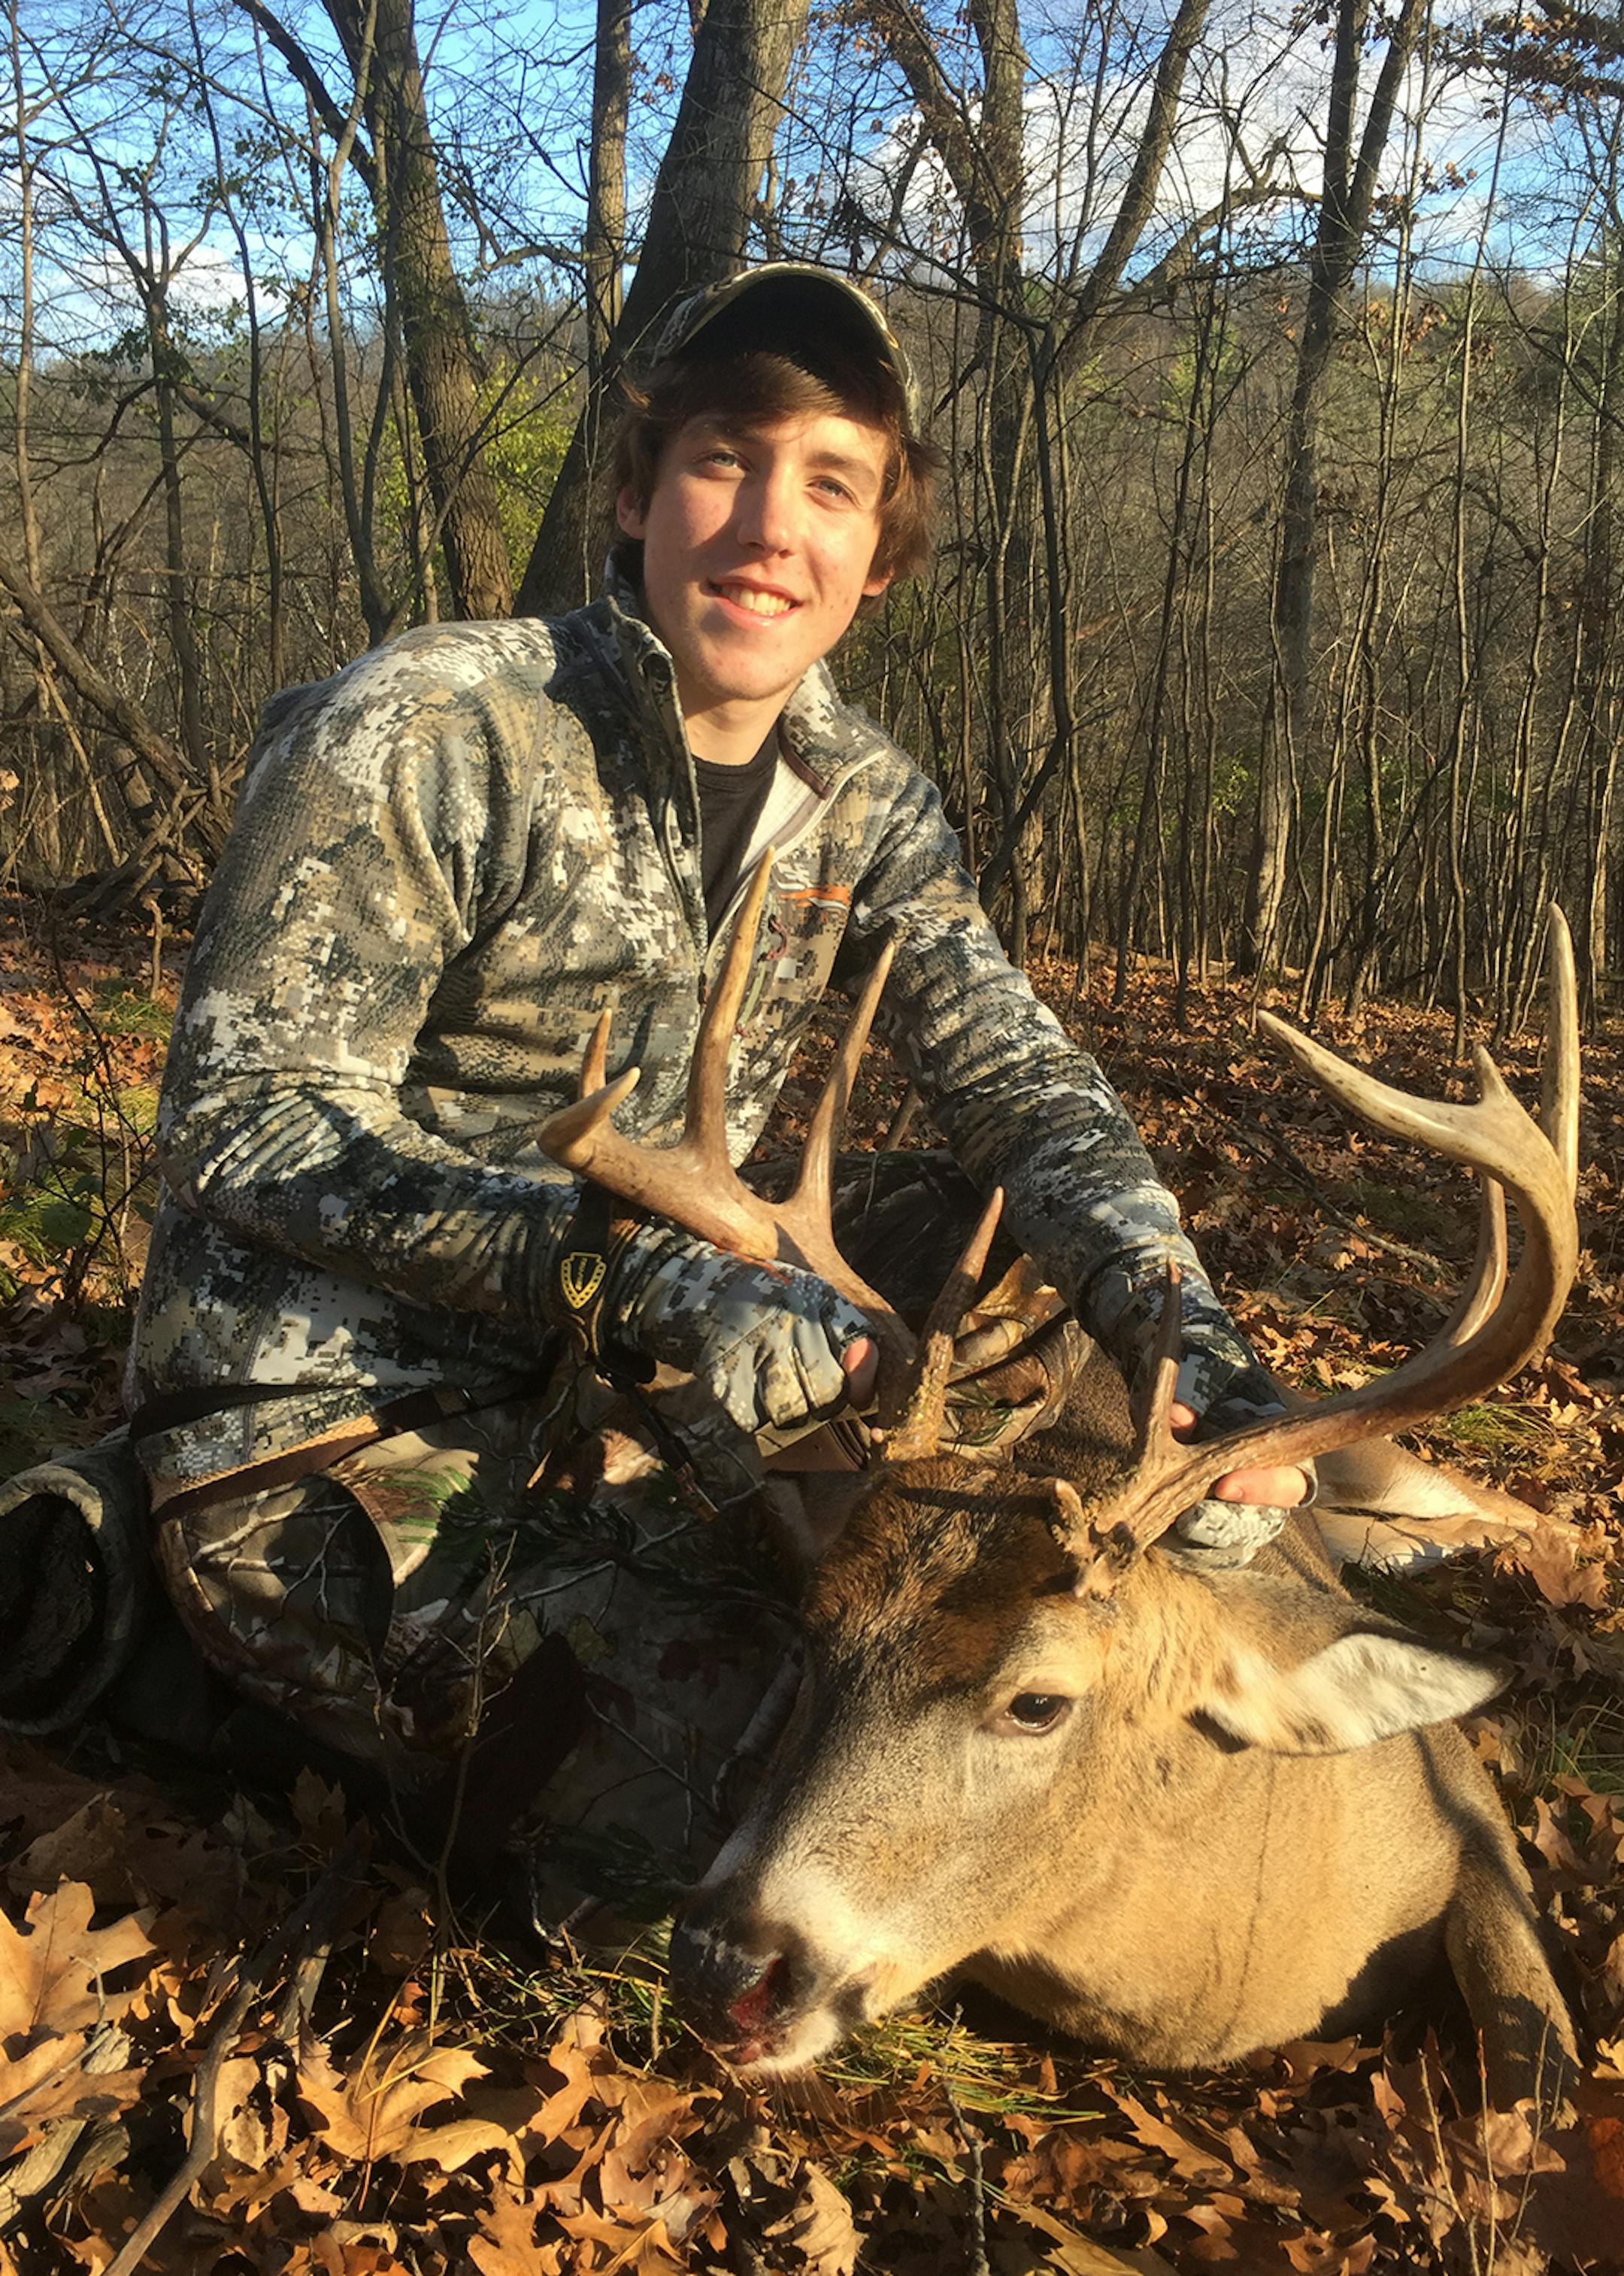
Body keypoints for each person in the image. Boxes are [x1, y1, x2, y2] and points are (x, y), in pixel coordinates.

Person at [124, 265, 1307, 1901]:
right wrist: (626, 1264)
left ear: (878, 558)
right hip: (340, 1411)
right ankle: (134, 1611)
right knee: (781, 1803)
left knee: (988, 1255)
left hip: (654, 1390)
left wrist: (1202, 1362)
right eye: (724, 459)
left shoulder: (861, 794)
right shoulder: (428, 727)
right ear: (633, 491)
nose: (771, 523)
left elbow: (1023, 1085)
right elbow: (245, 1127)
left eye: (832, 483)